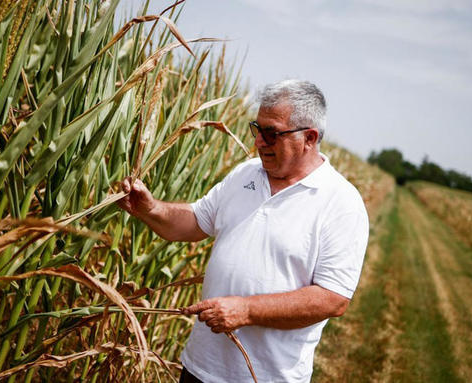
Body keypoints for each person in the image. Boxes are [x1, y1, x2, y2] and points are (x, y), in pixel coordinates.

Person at [118, 79, 369, 383]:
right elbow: (196, 221)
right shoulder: (245, 174)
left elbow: (333, 298)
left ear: (309, 138)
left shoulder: (341, 202)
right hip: (200, 367)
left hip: (264, 376)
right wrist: (152, 209)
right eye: (257, 129)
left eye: (271, 133)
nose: (259, 142)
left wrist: (247, 310)